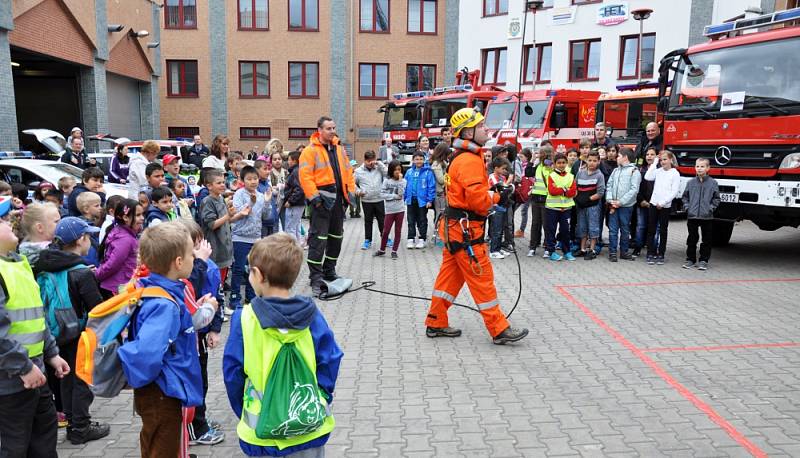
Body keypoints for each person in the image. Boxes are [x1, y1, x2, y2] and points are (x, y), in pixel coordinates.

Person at [223, 233, 342, 457]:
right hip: (309, 430)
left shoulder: (244, 319)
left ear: (257, 275)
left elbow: (233, 374)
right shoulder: (312, 315)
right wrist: (321, 396)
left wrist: (245, 409)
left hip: (263, 435)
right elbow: (330, 358)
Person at [424, 107, 528, 345]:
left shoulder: (462, 157)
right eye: (481, 126)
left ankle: (435, 321)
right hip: (467, 231)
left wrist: (490, 193)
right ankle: (499, 329)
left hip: (455, 230)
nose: (486, 129)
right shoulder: (470, 160)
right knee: (482, 279)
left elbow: (471, 194)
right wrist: (498, 197)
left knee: (448, 279)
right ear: (468, 133)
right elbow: (478, 201)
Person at [118, 222, 204, 458]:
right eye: (190, 254)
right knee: (162, 449)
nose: (194, 258)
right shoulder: (164, 305)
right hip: (162, 392)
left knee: (155, 444)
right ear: (178, 262)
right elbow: (147, 353)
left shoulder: (153, 288)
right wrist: (144, 381)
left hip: (160, 389)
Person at [0, 196, 70, 457]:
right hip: (12, 381)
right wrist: (24, 366)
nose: (11, 224)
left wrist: (51, 353)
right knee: (15, 447)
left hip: (34, 374)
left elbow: (35, 316)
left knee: (43, 442)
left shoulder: (19, 263)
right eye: (4, 220)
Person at [34, 217, 110, 445]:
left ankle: (72, 420)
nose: (91, 241)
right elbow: (97, 310)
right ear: (80, 240)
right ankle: (80, 428)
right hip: (79, 334)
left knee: (66, 379)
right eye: (88, 236)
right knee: (81, 379)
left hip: (54, 334)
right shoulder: (80, 272)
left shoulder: (46, 263)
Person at [298, 116, 356, 298]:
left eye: (333, 128)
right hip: (321, 203)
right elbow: (305, 177)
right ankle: (315, 277)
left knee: (336, 238)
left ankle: (329, 271)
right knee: (318, 240)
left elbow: (348, 172)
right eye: (329, 128)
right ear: (319, 130)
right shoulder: (309, 151)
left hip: (338, 202)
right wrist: (315, 199)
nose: (332, 131)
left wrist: (350, 195)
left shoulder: (339, 149)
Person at [179, 220, 225, 446]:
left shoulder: (205, 265)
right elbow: (191, 289)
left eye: (200, 244)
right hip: (188, 337)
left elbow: (217, 295)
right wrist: (200, 263)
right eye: (193, 248)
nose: (201, 250)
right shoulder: (189, 270)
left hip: (200, 335)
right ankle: (194, 429)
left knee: (201, 381)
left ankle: (199, 421)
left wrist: (215, 328)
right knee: (193, 383)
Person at [230, 166, 266, 310]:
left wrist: (268, 202)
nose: (253, 182)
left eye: (255, 179)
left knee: (254, 269)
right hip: (240, 237)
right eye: (249, 179)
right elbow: (241, 213)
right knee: (238, 268)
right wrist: (251, 202)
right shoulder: (239, 194)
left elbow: (265, 215)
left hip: (256, 237)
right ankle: (234, 297)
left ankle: (250, 298)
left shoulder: (261, 195)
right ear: (242, 180)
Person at [95, 199, 143, 298]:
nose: (142, 218)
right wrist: (96, 276)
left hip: (119, 285)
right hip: (116, 288)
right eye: (138, 215)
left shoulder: (123, 233)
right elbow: (112, 264)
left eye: (142, 214)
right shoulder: (125, 239)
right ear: (125, 217)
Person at [200, 170, 235, 301]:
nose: (223, 185)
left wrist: (239, 214)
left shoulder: (221, 199)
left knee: (222, 279)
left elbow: (227, 220)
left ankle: (220, 304)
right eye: (219, 183)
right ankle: (216, 306)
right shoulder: (207, 201)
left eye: (223, 182)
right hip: (215, 248)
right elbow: (212, 224)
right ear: (209, 186)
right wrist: (228, 215)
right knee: (215, 281)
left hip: (225, 247)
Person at [644, 150, 681, 265]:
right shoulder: (658, 171)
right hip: (654, 204)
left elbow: (674, 191)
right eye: (661, 160)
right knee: (651, 229)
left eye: (665, 159)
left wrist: (664, 202)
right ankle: (651, 252)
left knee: (663, 230)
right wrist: (654, 163)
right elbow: (647, 176)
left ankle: (661, 253)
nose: (663, 162)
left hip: (665, 206)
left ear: (670, 160)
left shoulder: (675, 173)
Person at [682, 158, 720, 271]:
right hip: (692, 216)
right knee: (692, 239)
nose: (699, 168)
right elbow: (685, 197)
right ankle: (690, 259)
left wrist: (710, 209)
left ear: (708, 168)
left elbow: (716, 199)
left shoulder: (713, 183)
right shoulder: (690, 182)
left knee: (706, 240)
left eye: (702, 166)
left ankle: (703, 260)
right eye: (697, 166)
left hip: (706, 217)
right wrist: (687, 208)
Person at [605, 147, 642, 262]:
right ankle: (612, 252)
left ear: (625, 158)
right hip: (613, 205)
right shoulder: (616, 171)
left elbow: (634, 190)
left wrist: (621, 202)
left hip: (625, 207)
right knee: (613, 229)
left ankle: (624, 252)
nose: (617, 158)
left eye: (619, 156)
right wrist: (610, 199)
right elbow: (609, 185)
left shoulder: (634, 172)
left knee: (625, 229)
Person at [544, 154, 577, 262]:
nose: (561, 165)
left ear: (566, 163)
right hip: (552, 208)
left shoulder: (570, 176)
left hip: (566, 209)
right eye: (559, 163)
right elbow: (552, 191)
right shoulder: (551, 175)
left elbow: (572, 192)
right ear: (554, 164)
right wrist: (565, 189)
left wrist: (561, 189)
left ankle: (567, 251)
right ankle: (551, 251)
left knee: (565, 231)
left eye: (563, 162)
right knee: (551, 231)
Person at [574, 151, 606, 260]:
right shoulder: (580, 172)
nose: (592, 163)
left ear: (598, 161)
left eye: (595, 161)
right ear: (586, 160)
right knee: (582, 226)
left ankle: (592, 250)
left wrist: (588, 199)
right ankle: (582, 249)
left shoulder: (599, 175)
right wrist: (578, 199)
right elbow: (575, 186)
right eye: (590, 160)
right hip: (581, 206)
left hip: (593, 206)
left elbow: (600, 192)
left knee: (593, 227)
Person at [354, 150, 387, 250]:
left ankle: (385, 238)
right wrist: (358, 191)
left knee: (382, 220)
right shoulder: (358, 171)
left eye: (373, 160)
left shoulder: (379, 168)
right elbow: (352, 184)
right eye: (369, 161)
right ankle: (368, 240)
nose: (371, 163)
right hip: (366, 200)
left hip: (379, 199)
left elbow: (387, 173)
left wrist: (379, 163)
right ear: (364, 160)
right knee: (368, 221)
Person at [374, 160, 406, 259]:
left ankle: (394, 251)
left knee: (398, 231)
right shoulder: (386, 181)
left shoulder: (404, 181)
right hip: (389, 210)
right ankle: (382, 249)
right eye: (395, 170)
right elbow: (382, 194)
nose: (397, 172)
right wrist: (393, 196)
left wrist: (400, 181)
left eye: (399, 169)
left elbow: (401, 194)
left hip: (400, 210)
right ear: (391, 170)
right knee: (386, 231)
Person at [404, 152, 436, 249]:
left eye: (421, 159)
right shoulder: (409, 172)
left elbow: (431, 187)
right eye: (417, 159)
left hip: (422, 201)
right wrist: (404, 198)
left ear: (424, 160)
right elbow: (404, 185)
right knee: (410, 220)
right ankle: (411, 238)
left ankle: (422, 239)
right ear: (413, 160)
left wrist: (430, 200)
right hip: (411, 200)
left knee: (422, 220)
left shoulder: (428, 172)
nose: (419, 161)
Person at [527, 145, 553, 257]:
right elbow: (528, 173)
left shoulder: (549, 166)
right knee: (535, 224)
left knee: (546, 224)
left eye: (540, 153)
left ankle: (548, 247)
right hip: (536, 198)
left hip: (546, 199)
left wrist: (548, 161)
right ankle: (532, 247)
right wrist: (532, 160)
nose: (538, 155)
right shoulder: (538, 165)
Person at [633, 148, 658, 257]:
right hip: (642, 203)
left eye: (652, 154)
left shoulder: (659, 171)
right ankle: (637, 248)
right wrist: (641, 200)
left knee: (655, 227)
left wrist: (653, 203)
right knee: (641, 226)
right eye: (647, 154)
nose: (649, 156)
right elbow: (636, 187)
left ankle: (653, 249)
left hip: (656, 204)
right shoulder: (640, 170)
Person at [488, 157, 513, 259]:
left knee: (501, 228)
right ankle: (493, 250)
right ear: (496, 168)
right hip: (495, 206)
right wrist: (508, 183)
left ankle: (498, 248)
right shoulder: (492, 178)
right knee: (496, 229)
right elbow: (501, 190)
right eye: (503, 169)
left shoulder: (502, 177)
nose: (504, 171)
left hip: (503, 205)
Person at [429, 142, 450, 247]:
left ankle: (442, 235)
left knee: (444, 215)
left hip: (444, 193)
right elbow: (442, 180)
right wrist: (449, 174)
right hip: (439, 194)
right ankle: (437, 236)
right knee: (440, 215)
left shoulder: (443, 163)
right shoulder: (436, 165)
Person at [75, 192, 102, 266]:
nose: (100, 208)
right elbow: (89, 254)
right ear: (86, 209)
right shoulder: (83, 228)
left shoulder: (95, 223)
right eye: (97, 206)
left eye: (100, 205)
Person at [513, 148, 532, 238]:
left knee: (524, 211)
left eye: (522, 157)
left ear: (527, 158)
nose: (520, 158)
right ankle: (511, 229)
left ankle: (522, 230)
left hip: (527, 192)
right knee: (514, 209)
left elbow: (531, 179)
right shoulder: (518, 165)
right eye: (519, 156)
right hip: (519, 191)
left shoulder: (529, 166)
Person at [254, 160, 276, 237]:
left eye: (268, 169)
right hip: (262, 223)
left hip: (272, 221)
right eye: (265, 169)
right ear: (256, 170)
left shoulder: (267, 184)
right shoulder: (256, 186)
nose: (268, 171)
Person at [269, 150, 288, 229]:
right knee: (275, 225)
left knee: (286, 224)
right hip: (275, 202)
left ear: (282, 160)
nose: (277, 161)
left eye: (279, 159)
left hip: (285, 202)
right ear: (271, 161)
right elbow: (270, 187)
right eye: (275, 159)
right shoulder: (270, 173)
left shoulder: (286, 172)